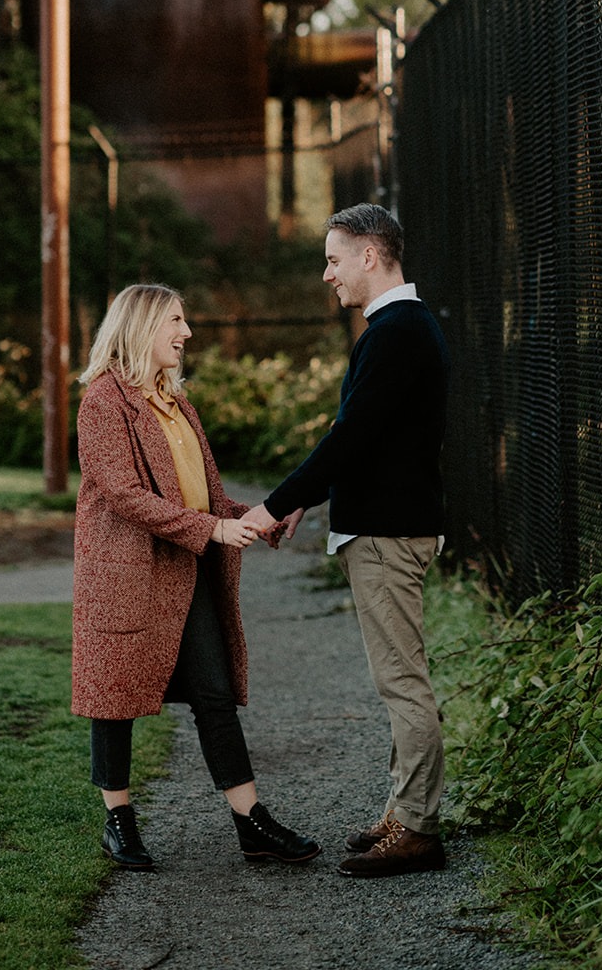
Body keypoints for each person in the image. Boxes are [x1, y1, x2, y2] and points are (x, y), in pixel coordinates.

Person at [72, 282, 320, 871]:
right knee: (115, 698)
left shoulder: (178, 404)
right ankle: (118, 822)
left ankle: (253, 824)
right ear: (142, 326)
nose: (186, 333)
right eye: (176, 322)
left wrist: (255, 516)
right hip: (127, 573)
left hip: (186, 571)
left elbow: (202, 496)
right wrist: (210, 530)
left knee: (214, 694)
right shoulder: (104, 401)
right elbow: (125, 495)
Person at [241, 203, 449, 878]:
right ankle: (404, 810)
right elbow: (363, 439)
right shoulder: (396, 330)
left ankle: (417, 830)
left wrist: (277, 503)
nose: (326, 274)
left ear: (369, 255)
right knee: (398, 680)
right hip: (384, 528)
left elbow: (353, 437)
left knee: (402, 683)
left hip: (389, 533)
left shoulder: (398, 333)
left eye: (334, 259)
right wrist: (306, 496)